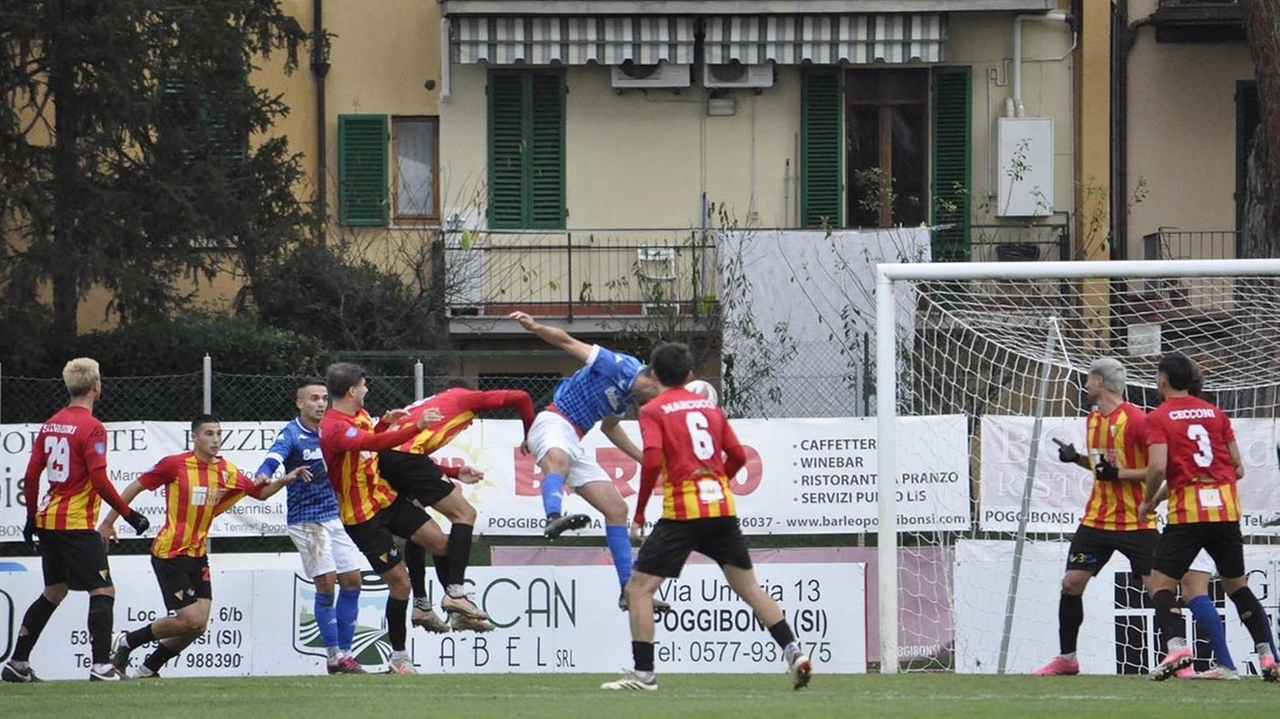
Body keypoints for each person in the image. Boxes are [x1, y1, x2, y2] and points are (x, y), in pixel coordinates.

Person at [601, 342, 811, 691]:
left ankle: (644, 675)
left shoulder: (653, 410)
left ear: (653, 374)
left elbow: (652, 460)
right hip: (721, 510)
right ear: (690, 376)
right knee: (748, 587)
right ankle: (793, 651)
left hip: (683, 513)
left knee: (638, 589)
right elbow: (739, 455)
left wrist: (638, 514)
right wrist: (718, 481)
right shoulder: (712, 410)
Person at [317, 363, 487, 675]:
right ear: (352, 390)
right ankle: (399, 658)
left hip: (385, 499)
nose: (368, 390)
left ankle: (450, 604)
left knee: (441, 543)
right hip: (362, 518)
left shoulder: (359, 417)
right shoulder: (333, 427)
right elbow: (370, 444)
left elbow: (373, 446)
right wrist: (416, 426)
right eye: (365, 385)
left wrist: (382, 423)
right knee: (400, 585)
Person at [102, 414, 298, 678]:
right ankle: (126, 642)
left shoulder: (226, 470)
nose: (215, 439)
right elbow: (135, 487)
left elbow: (259, 493)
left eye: (218, 433)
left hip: (198, 556)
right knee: (189, 620)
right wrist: (109, 522)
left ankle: (148, 669)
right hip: (170, 553)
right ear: (194, 437)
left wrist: (283, 480)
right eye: (209, 434)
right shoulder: (175, 465)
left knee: (198, 626)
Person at [1, 358, 149, 683]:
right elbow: (98, 479)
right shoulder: (92, 427)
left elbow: (31, 472)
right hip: (75, 523)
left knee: (54, 590)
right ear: (96, 386)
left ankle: (18, 662)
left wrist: (30, 519)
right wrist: (128, 514)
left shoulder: (52, 422)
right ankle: (101, 666)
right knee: (103, 590)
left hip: (48, 520)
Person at [508, 311, 665, 611]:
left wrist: (643, 459)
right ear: (653, 376)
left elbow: (610, 427)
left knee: (617, 508)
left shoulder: (630, 395)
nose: (659, 399)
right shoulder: (618, 365)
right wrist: (535, 325)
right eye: (661, 390)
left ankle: (627, 590)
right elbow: (567, 341)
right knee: (558, 460)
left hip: (574, 437)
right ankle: (553, 517)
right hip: (554, 420)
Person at [1137, 352, 1279, 681]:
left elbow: (1159, 466)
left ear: (1162, 380)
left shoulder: (1159, 417)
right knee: (1237, 586)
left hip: (1189, 513)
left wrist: (1147, 501)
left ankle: (1177, 647)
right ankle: (1268, 657)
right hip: (1226, 510)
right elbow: (1238, 468)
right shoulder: (1216, 415)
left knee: (1160, 583)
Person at [1033, 358, 1159, 676]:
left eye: (1089, 379)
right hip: (1097, 520)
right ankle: (1068, 658)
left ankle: (1178, 654)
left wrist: (1118, 474)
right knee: (1072, 583)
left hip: (1136, 520)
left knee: (1158, 587)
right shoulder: (1092, 419)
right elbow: (1103, 469)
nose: (1086, 385)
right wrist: (1076, 458)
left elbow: (1158, 469)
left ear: (1100, 382)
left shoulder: (1136, 420)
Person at [382, 380, 534, 633]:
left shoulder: (432, 403)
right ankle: (455, 593)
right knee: (465, 514)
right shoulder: (465, 398)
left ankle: (423, 604)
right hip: (404, 458)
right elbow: (522, 397)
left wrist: (453, 471)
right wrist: (530, 435)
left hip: (389, 458)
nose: (471, 423)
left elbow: (404, 448)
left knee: (423, 529)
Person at [255, 379, 365, 674]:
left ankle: (347, 653)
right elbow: (273, 457)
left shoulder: (333, 429)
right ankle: (333, 657)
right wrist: (264, 474)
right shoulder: (291, 433)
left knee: (353, 580)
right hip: (306, 520)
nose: (320, 403)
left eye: (324, 398)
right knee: (327, 582)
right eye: (313, 398)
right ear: (300, 403)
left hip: (334, 514)